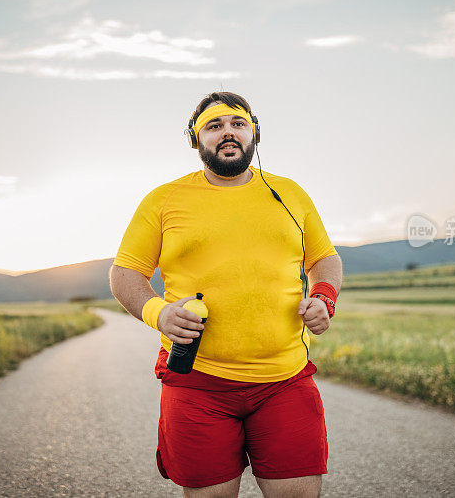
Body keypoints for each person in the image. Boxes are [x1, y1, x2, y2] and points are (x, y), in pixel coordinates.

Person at [109, 91, 343, 498]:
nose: (228, 133)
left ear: (255, 133)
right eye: (214, 126)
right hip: (197, 385)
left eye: (237, 123)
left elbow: (324, 259)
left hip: (284, 381)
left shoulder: (291, 193)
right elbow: (125, 272)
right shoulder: (164, 199)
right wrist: (158, 313)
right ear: (195, 140)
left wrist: (324, 297)